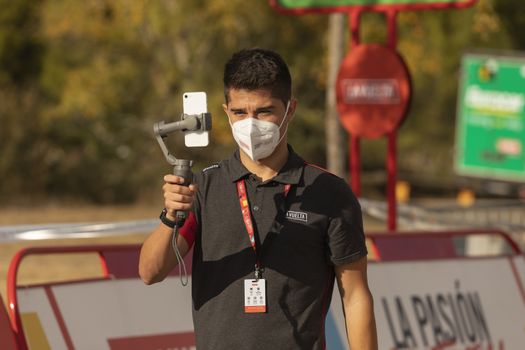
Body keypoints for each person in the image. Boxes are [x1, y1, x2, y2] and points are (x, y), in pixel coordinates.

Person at [139, 48, 377, 350]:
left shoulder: (330, 193)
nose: (250, 124)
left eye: (264, 112)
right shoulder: (203, 187)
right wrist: (171, 215)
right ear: (226, 111)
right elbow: (150, 272)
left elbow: (355, 296)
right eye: (239, 112)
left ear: (290, 110)